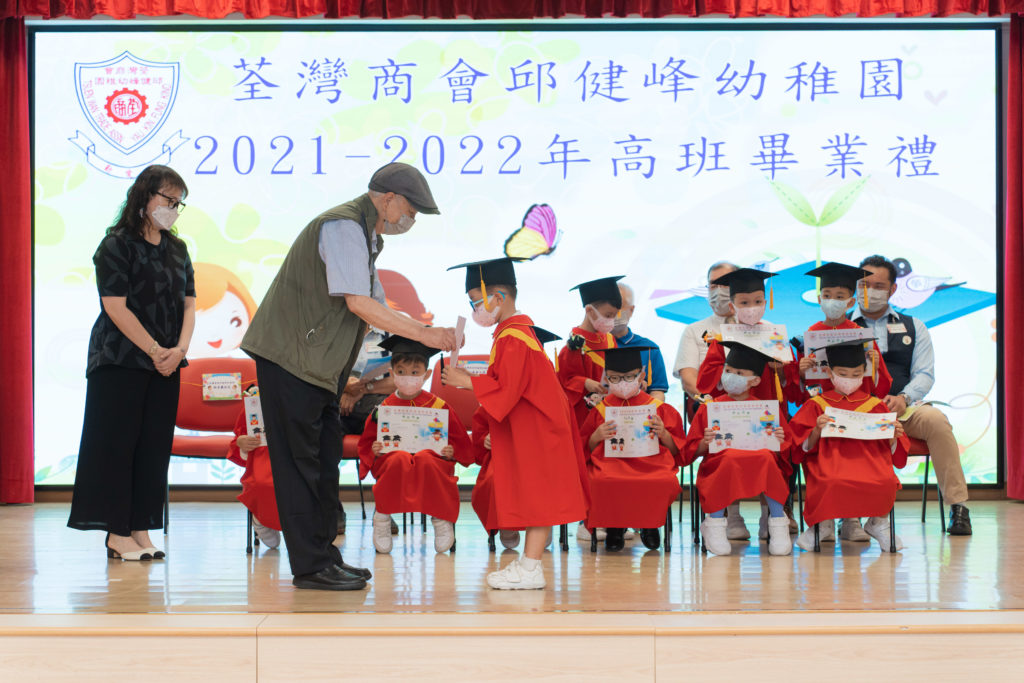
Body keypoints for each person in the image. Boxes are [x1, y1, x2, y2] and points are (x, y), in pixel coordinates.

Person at [240, 163, 457, 591]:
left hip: (316, 367)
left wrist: (425, 332)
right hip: (291, 359)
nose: (410, 220)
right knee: (300, 464)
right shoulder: (342, 227)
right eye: (411, 210)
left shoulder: (366, 236)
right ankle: (310, 567)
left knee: (323, 460)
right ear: (389, 198)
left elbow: (377, 304)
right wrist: (425, 333)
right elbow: (359, 303)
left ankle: (325, 557)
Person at [68, 164, 195, 562]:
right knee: (116, 446)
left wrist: (179, 351)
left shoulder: (178, 248)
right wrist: (156, 351)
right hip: (120, 360)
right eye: (168, 199)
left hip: (168, 364)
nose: (173, 208)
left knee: (153, 448)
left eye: (179, 203)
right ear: (144, 197)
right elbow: (115, 307)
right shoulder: (116, 245)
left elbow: (189, 305)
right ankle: (116, 532)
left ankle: (140, 527)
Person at [442, 258, 588, 590]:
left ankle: (530, 568)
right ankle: (529, 565)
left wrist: (465, 381)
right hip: (540, 426)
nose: (474, 309)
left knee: (539, 498)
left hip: (538, 429)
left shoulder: (513, 337)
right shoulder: (518, 333)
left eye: (476, 301)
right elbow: (510, 383)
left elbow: (506, 391)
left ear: (498, 297)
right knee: (541, 497)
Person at [852, 255, 973, 535]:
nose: (870, 291)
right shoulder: (840, 327)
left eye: (878, 286)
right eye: (864, 284)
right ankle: (848, 514)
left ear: (893, 289)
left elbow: (925, 374)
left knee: (936, 421)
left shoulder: (914, 326)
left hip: (903, 409)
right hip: (856, 411)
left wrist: (904, 398)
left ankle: (958, 506)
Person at [790, 262, 895, 542]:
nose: (833, 301)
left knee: (857, 461)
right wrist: (801, 373)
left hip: (856, 411)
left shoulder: (861, 336)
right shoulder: (810, 335)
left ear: (851, 301)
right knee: (823, 460)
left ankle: (852, 520)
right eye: (827, 295)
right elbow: (799, 391)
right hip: (822, 410)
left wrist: (875, 365)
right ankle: (824, 519)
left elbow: (878, 386)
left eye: (840, 296)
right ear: (819, 298)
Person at [694, 267, 791, 540]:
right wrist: (730, 371)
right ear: (733, 305)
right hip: (732, 411)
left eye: (757, 301)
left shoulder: (775, 335)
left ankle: (769, 515)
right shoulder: (722, 338)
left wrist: (782, 368)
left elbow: (791, 380)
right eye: (744, 302)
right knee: (731, 454)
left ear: (766, 302)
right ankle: (732, 515)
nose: (751, 307)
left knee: (768, 455)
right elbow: (706, 380)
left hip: (766, 406)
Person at [788, 340, 909, 552]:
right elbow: (799, 447)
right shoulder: (816, 405)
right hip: (829, 464)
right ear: (830, 372)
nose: (850, 379)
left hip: (869, 463)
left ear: (864, 373)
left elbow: (891, 450)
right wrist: (816, 430)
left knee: (886, 480)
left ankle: (878, 523)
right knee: (832, 480)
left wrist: (894, 437)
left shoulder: (876, 405)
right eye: (843, 374)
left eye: (856, 374)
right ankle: (823, 524)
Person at [357, 335, 473, 554]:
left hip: (432, 460)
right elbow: (367, 442)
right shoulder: (384, 408)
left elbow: (459, 442)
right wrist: (375, 450)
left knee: (426, 459)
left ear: (426, 375)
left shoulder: (438, 406)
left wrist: (452, 450)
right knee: (399, 459)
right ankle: (382, 517)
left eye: (414, 372)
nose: (407, 378)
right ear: (392, 373)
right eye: (401, 372)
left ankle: (440, 518)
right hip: (392, 460)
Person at [684, 341, 793, 556]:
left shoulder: (765, 409)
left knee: (767, 458)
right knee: (729, 458)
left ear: (755, 380)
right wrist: (705, 442)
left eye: (739, 373)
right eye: (728, 371)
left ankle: (778, 522)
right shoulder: (710, 408)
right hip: (721, 460)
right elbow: (691, 451)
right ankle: (715, 523)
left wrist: (779, 440)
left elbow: (785, 449)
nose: (731, 376)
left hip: (760, 458)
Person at [579, 346, 684, 551]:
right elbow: (584, 449)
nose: (622, 383)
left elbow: (678, 451)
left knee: (663, 480)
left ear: (641, 376)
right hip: (610, 464)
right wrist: (596, 436)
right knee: (600, 480)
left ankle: (650, 524)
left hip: (652, 465)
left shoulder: (658, 409)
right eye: (615, 378)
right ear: (607, 378)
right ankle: (614, 527)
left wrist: (664, 433)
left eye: (628, 377)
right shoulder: (601, 409)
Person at [468, 326, 561, 551]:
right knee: (494, 479)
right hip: (504, 459)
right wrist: (485, 440)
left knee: (541, 479)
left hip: (537, 458)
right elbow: (481, 425)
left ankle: (539, 525)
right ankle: (506, 523)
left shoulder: (550, 398)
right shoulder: (501, 392)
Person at [557, 276, 624, 426]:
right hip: (584, 416)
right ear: (589, 310)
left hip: (611, 412)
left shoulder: (609, 340)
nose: (611, 321)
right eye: (608, 315)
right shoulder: (574, 345)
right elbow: (564, 380)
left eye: (614, 315)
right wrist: (585, 382)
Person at [673, 261, 738, 401]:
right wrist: (711, 404)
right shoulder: (693, 330)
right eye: (713, 286)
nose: (718, 291)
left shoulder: (762, 327)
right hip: (710, 406)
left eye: (725, 284)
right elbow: (688, 378)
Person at [226, 386, 280, 549]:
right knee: (262, 483)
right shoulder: (256, 398)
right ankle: (261, 518)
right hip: (263, 456)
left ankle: (298, 528)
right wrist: (242, 442)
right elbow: (239, 437)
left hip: (297, 454)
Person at [612, 282, 669, 401]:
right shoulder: (591, 346)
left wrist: (651, 409)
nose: (614, 310)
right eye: (610, 305)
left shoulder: (649, 348)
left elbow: (657, 392)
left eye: (619, 305)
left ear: (631, 310)